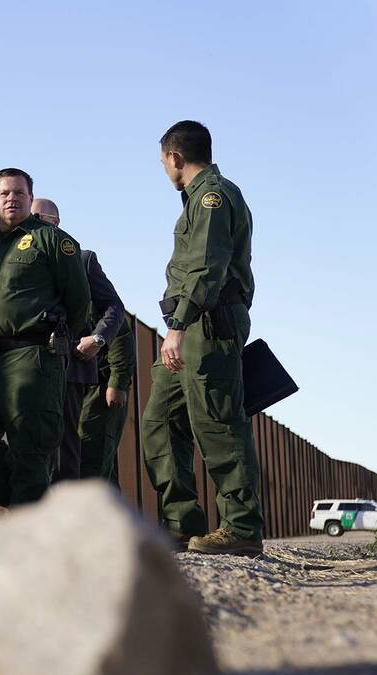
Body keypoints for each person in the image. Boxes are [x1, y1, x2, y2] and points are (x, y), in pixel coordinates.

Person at [143, 120, 263, 556]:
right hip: (189, 324)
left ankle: (242, 526)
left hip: (205, 325)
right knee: (159, 420)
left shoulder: (212, 198)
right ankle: (180, 522)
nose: (164, 169)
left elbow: (207, 267)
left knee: (218, 421)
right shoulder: (194, 200)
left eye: (162, 162)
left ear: (174, 158)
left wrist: (177, 325)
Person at [0, 169, 90, 507]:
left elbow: (79, 300)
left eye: (19, 193)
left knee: (31, 444)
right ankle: (26, 506)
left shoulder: (51, 240)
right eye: (4, 194)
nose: (11, 199)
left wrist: (55, 339)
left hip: (33, 356)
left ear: (30, 199)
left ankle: (28, 524)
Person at [31, 198, 125, 482]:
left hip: (69, 365)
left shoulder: (82, 260)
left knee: (64, 446)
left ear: (55, 222)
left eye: (37, 217)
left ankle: (64, 519)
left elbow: (113, 307)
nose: (31, 224)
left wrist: (97, 338)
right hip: (26, 365)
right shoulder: (17, 262)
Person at [77, 318, 136, 483]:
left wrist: (118, 381)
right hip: (75, 386)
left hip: (100, 386)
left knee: (93, 458)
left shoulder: (94, 293)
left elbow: (119, 330)